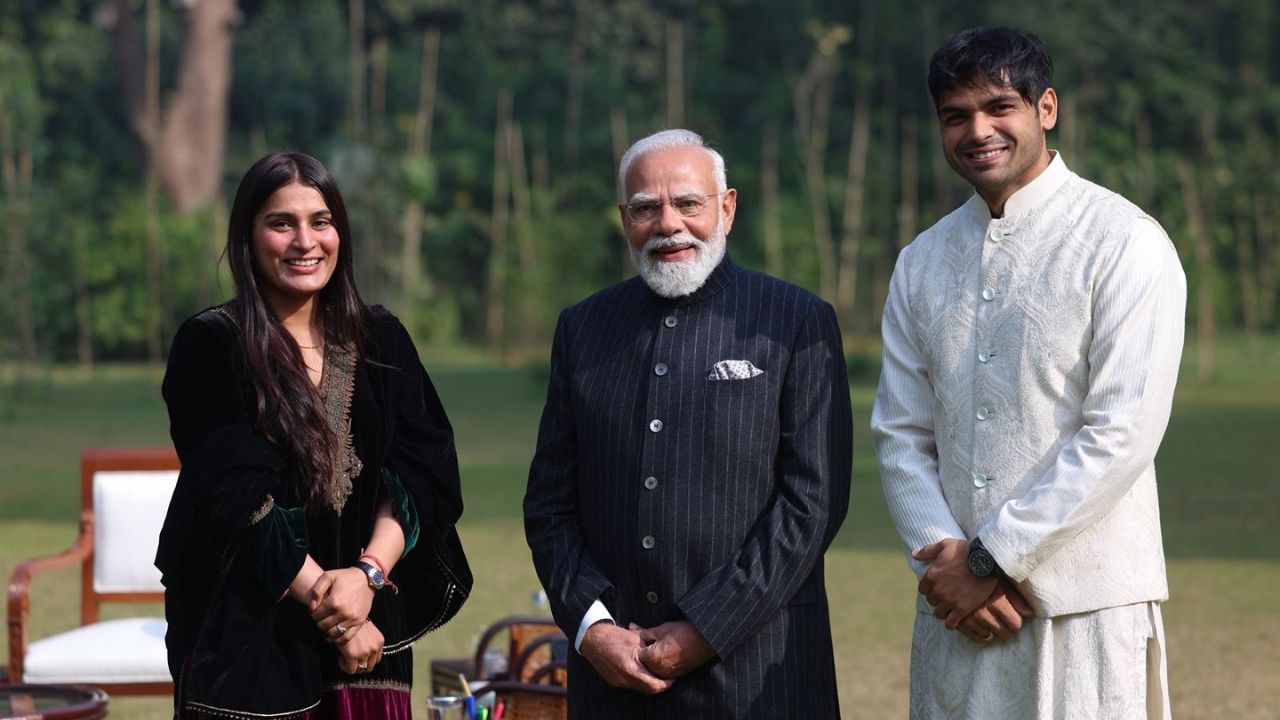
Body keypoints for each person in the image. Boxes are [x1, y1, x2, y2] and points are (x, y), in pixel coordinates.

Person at [872, 27, 1185, 719]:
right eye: (956, 116)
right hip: (958, 615)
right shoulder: (921, 262)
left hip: (1086, 606)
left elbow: (1121, 431)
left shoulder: (1124, 242)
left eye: (998, 108)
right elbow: (899, 433)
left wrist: (990, 561)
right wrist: (945, 564)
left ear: (1046, 109)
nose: (977, 131)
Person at [524, 128, 853, 717]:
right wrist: (593, 630)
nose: (668, 224)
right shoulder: (584, 328)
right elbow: (550, 503)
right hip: (614, 679)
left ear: (726, 208)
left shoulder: (795, 320)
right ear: (625, 218)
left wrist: (706, 628)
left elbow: (813, 502)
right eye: (647, 208)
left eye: (688, 203)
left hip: (761, 676)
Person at [156, 151, 472, 719]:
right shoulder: (212, 345)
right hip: (251, 639)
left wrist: (367, 578)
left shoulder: (383, 339)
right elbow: (237, 500)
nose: (306, 241)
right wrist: (339, 612)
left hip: (371, 632)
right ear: (248, 238)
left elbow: (423, 471)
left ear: (340, 233)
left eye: (320, 221)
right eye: (282, 223)